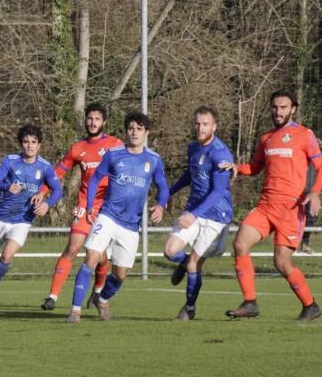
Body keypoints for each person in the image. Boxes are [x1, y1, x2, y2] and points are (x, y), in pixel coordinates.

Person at [223, 89, 322, 321]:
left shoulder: (305, 135)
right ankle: (250, 303)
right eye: (275, 107)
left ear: (293, 109)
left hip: (291, 209)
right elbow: (256, 166)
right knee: (240, 244)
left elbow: (321, 169)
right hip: (266, 205)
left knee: (281, 262)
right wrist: (237, 168)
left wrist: (316, 193)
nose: (278, 111)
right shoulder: (266, 138)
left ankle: (310, 306)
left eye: (283, 107)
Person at [66, 112, 168, 323]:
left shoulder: (154, 159)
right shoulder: (113, 154)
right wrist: (91, 205)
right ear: (126, 131)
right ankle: (75, 310)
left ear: (146, 132)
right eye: (131, 128)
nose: (135, 132)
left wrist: (160, 205)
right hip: (108, 216)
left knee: (120, 275)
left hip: (131, 226)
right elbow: (94, 180)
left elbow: (163, 187)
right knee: (91, 258)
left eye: (139, 129)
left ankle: (101, 299)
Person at [37, 103, 123, 312]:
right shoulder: (78, 148)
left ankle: (97, 290)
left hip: (108, 208)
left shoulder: (115, 145)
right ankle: (52, 297)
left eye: (97, 119)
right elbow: (58, 172)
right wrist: (42, 191)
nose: (92, 123)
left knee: (100, 257)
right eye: (90, 118)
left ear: (104, 122)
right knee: (73, 248)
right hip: (85, 206)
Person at [0, 125, 62, 310]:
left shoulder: (45, 167)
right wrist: (6, 186)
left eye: (34, 142)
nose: (30, 146)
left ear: (39, 145)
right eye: (26, 142)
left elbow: (58, 189)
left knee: (6, 256)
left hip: (23, 219)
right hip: (1, 217)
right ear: (21, 144)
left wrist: (46, 203)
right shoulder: (10, 161)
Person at [163, 106, 234, 321]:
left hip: (215, 216)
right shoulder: (193, 148)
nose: (200, 127)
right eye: (198, 123)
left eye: (205, 124)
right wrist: (169, 192)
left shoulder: (220, 153)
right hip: (195, 209)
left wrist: (194, 215)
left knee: (195, 263)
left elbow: (218, 191)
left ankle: (189, 308)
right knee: (169, 250)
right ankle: (184, 263)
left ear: (215, 126)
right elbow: (190, 174)